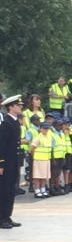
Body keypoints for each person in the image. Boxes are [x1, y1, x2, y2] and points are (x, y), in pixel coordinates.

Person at [0, 95, 23, 228]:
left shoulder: (14, 121)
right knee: (4, 190)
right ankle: (2, 217)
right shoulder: (6, 123)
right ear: (11, 107)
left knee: (11, 190)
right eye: (18, 105)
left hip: (14, 161)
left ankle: (7, 216)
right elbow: (2, 145)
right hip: (6, 162)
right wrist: (1, 163)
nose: (20, 107)